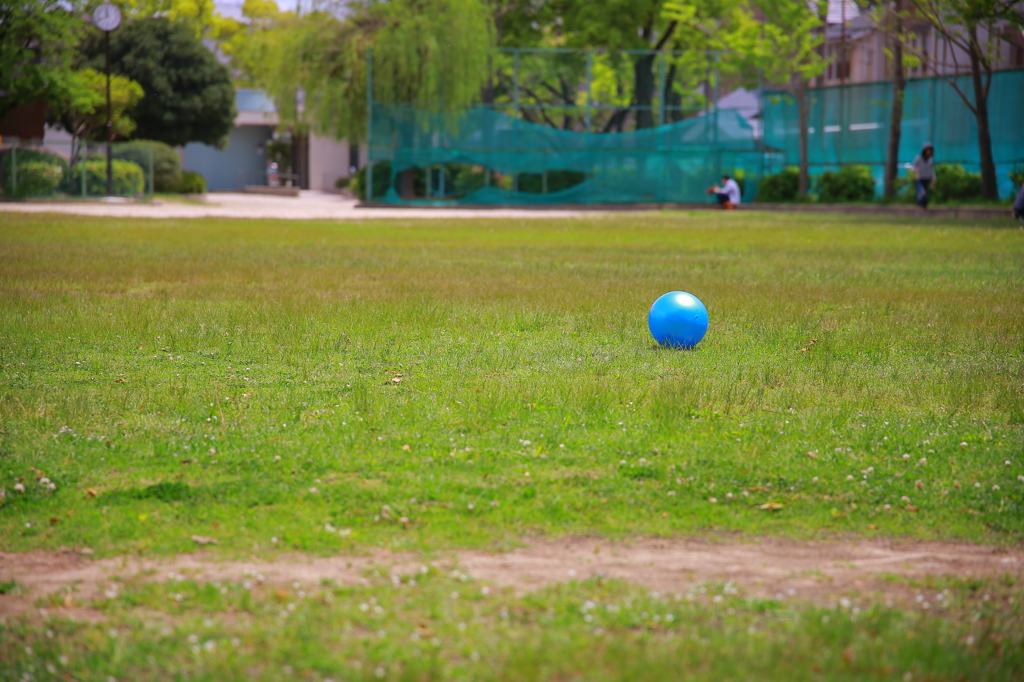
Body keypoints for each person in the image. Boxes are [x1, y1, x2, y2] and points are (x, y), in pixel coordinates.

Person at [911, 143, 936, 213]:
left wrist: (934, 179)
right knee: (921, 193)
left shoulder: (930, 160)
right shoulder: (918, 158)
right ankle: (919, 208)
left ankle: (924, 208)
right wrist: (915, 170)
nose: (929, 152)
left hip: (927, 179)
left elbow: (931, 170)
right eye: (927, 150)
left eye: (930, 150)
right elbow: (912, 166)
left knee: (926, 195)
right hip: (919, 179)